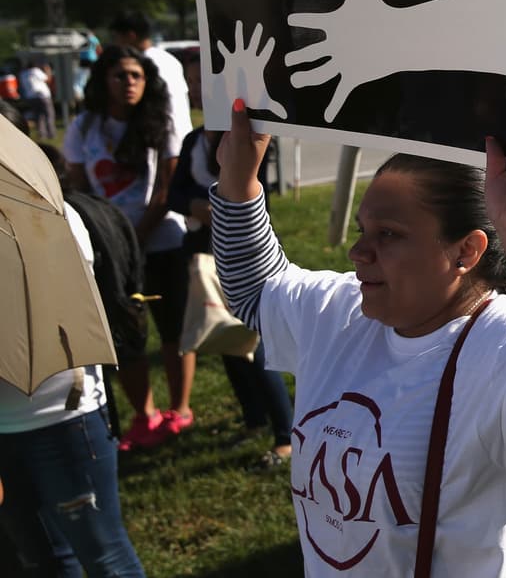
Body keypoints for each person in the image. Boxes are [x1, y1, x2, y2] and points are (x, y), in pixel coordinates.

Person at [212, 99, 506, 576]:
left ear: (466, 251)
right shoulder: (343, 311)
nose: (357, 251)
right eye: (362, 229)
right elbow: (255, 290)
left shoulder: (504, 346)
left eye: (388, 234)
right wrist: (239, 180)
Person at [0, 116, 147, 578]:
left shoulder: (53, 220)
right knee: (44, 560)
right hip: (11, 428)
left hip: (62, 418)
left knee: (104, 557)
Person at [63, 44, 195, 451]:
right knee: (126, 335)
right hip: (110, 251)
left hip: (163, 241)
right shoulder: (84, 127)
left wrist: (135, 237)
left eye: (136, 76)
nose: (129, 83)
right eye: (120, 75)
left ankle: (181, 409)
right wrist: (110, 238)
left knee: (174, 330)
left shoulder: (163, 122)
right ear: (104, 80)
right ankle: (145, 414)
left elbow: (166, 189)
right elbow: (79, 187)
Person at [168, 54, 294, 467]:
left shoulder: (250, 135)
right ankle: (252, 417)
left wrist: (223, 204)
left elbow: (259, 193)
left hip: (239, 255)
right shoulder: (193, 141)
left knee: (253, 345)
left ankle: (283, 431)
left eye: (201, 82)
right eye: (191, 83)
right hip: (204, 253)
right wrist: (196, 204)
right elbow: (173, 193)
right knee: (222, 339)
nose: (195, 91)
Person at [109, 12, 192, 145]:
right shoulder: (169, 59)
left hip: (162, 140)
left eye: (116, 37)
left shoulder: (142, 65)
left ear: (131, 36)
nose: (115, 43)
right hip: (183, 137)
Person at [19, 58, 55, 140]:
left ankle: (42, 134)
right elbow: (48, 79)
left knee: (38, 116)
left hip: (31, 97)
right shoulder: (35, 71)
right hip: (43, 95)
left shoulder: (23, 74)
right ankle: (51, 133)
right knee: (49, 115)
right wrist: (48, 70)